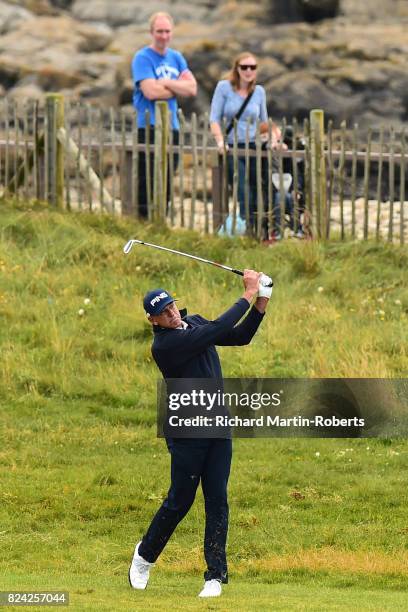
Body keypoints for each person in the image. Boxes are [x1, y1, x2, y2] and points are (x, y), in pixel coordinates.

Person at [129, 270, 273, 598]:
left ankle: (214, 576)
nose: (171, 313)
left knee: (217, 499)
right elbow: (221, 328)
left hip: (217, 424)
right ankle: (144, 556)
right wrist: (248, 291)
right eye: (163, 313)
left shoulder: (192, 323)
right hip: (187, 431)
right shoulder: (166, 346)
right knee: (180, 500)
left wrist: (261, 302)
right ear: (154, 321)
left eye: (171, 306)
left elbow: (239, 336)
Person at [131, 12, 197, 218]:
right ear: (151, 32)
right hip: (148, 126)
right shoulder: (142, 58)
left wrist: (166, 83)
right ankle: (143, 220)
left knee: (168, 173)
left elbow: (192, 89)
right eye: (159, 31)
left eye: (167, 31)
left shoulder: (176, 57)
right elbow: (150, 92)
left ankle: (161, 218)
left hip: (172, 126)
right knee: (147, 176)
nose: (164, 35)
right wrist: (178, 87)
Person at [210, 52, 281, 235]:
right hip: (232, 146)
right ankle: (249, 226)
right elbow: (214, 119)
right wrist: (220, 141)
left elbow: (264, 122)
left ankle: (261, 230)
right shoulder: (224, 88)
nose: (248, 71)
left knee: (260, 186)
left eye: (252, 67)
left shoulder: (259, 92)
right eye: (244, 67)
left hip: (254, 146)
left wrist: (273, 137)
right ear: (237, 69)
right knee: (243, 188)